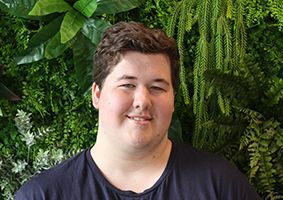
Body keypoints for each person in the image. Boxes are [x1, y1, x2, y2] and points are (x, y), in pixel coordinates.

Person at [14, 21, 260, 200]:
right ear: (97, 94)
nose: (142, 100)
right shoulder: (43, 195)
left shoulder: (219, 185)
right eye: (127, 85)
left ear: (173, 99)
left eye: (157, 87)